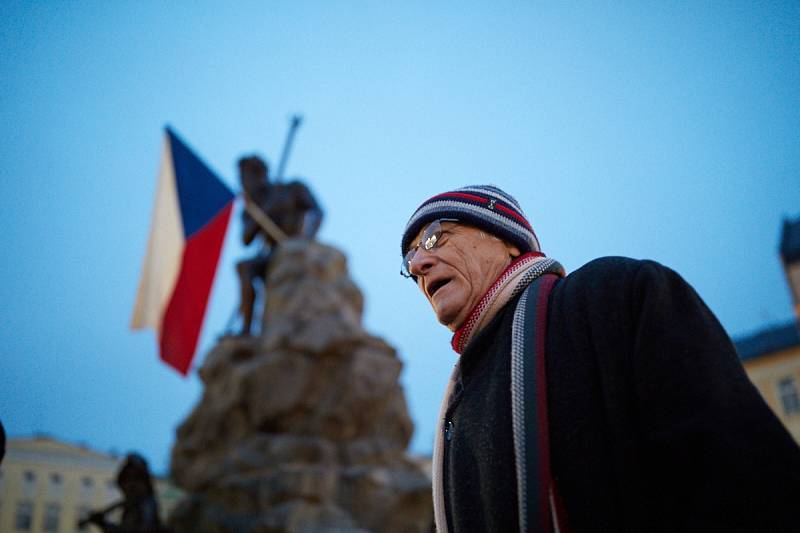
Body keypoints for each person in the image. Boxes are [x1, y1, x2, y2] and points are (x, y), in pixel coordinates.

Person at [400, 185, 800, 533]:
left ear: (506, 239)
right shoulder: (458, 405)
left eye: (436, 237)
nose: (419, 264)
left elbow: (746, 478)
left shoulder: (613, 296)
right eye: (410, 260)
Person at [236, 155, 322, 335]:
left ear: (259, 175)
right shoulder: (252, 209)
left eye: (245, 178)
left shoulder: (291, 189)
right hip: (272, 254)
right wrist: (265, 211)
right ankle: (246, 330)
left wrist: (307, 239)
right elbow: (246, 239)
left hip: (296, 246)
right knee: (244, 267)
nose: (243, 184)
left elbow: (317, 212)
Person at [81, 454, 164, 532]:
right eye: (127, 479)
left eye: (137, 479)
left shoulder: (146, 505)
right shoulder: (132, 505)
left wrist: (103, 524)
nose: (131, 485)